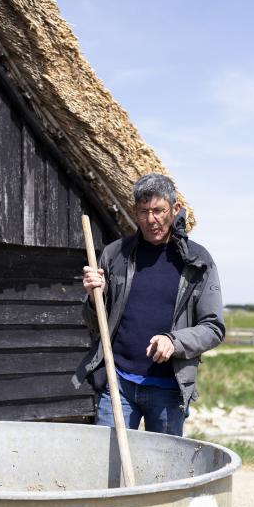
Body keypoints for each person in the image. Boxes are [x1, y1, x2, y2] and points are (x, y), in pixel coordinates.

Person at [73, 173, 225, 436]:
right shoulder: (115, 254)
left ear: (175, 209)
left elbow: (213, 328)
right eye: (144, 212)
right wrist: (94, 297)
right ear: (135, 212)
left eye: (158, 210)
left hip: (168, 390)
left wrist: (174, 342)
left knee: (163, 462)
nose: (151, 219)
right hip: (118, 382)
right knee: (107, 458)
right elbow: (94, 324)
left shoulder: (198, 261)